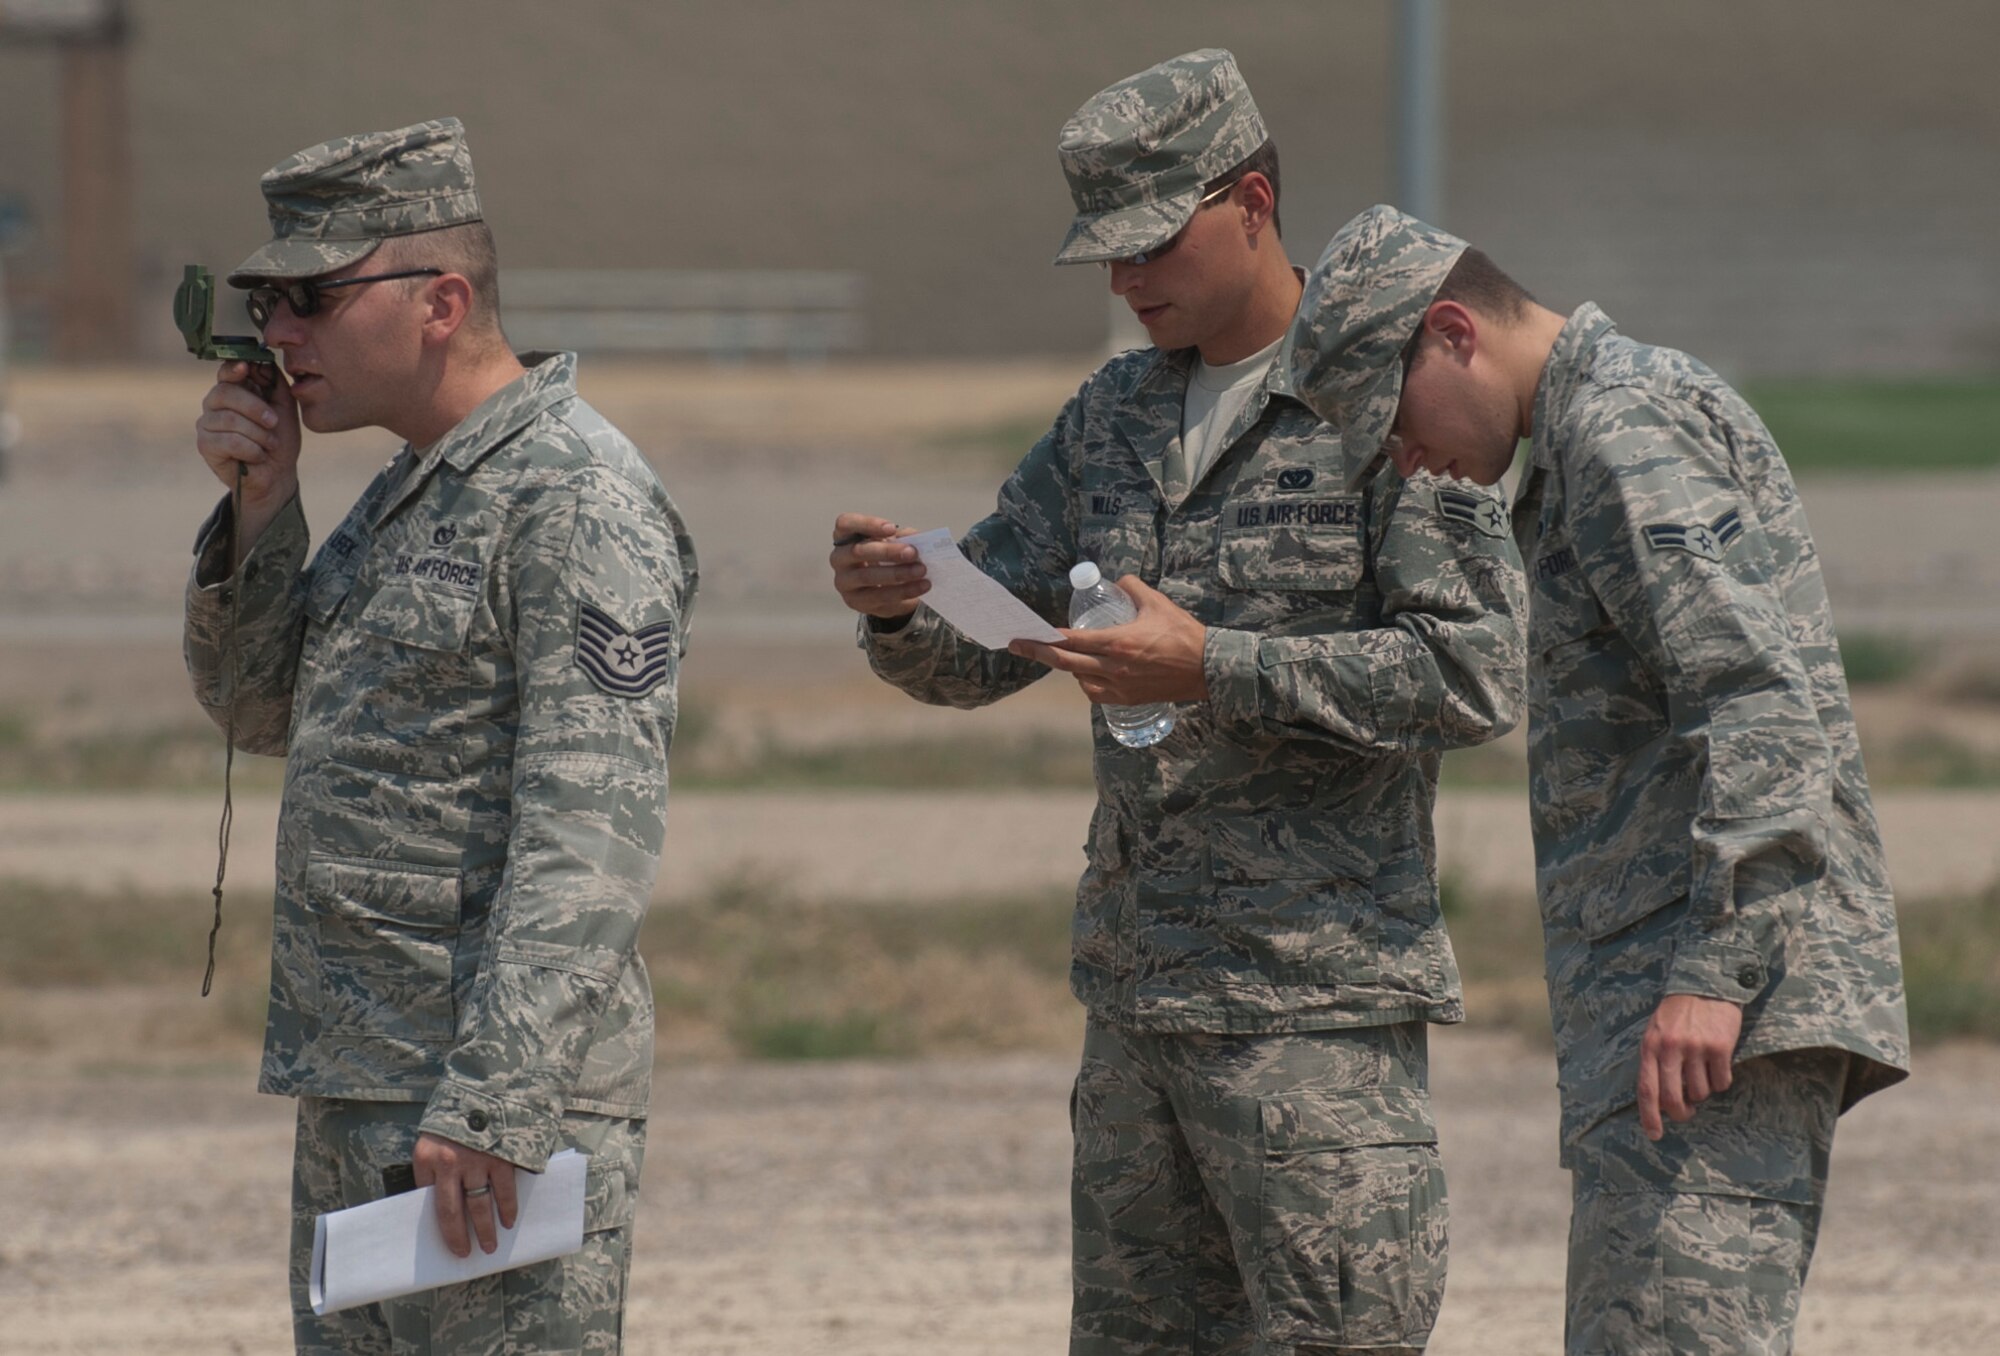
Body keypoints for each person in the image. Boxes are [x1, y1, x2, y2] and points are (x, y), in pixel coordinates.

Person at [830, 53, 1525, 1355]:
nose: (1127, 281)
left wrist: (1219, 664)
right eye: (1105, 256)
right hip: (1139, 1006)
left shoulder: (1389, 398)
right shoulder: (1113, 417)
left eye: (1152, 244)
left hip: (1312, 1019)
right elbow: (999, 643)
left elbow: (1473, 676)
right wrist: (901, 605)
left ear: (1253, 200)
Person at [1284, 204, 1910, 1354]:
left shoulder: (1620, 428)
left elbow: (1757, 706)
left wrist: (1711, 977)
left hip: (1712, 1003)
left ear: (1453, 332)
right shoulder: (1588, 432)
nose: (1401, 461)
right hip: (1681, 995)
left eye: (1390, 422)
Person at [184, 117, 698, 1351]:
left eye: (308, 297)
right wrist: (261, 510)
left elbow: (595, 832)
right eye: (264, 304)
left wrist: (498, 1099)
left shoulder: (571, 495)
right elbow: (260, 711)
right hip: (364, 1074)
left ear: (440, 300)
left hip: (485, 1110)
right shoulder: (415, 487)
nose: (277, 337)